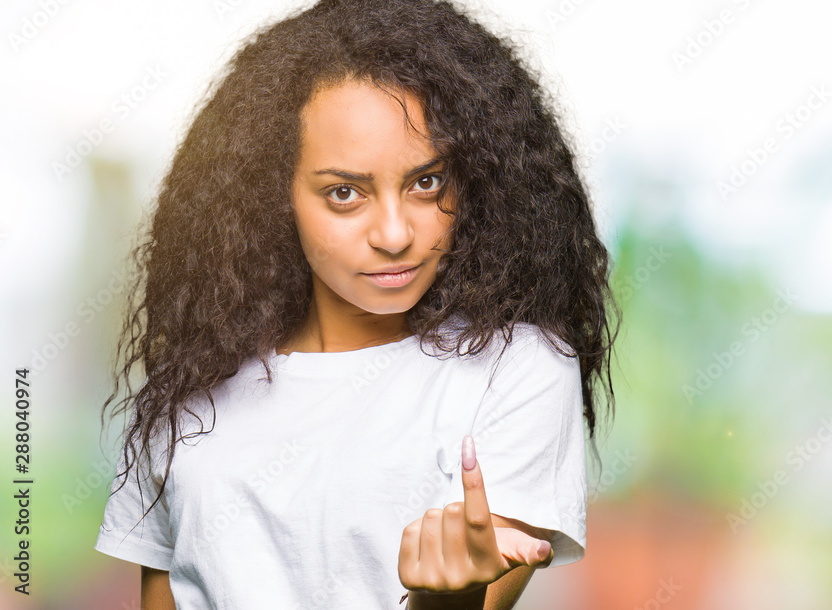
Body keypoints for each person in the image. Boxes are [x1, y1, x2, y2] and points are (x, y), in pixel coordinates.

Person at [93, 0, 620, 608]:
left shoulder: (516, 370)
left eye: (426, 182)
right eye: (345, 193)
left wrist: (444, 600)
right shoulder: (190, 388)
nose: (395, 234)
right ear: (275, 194)